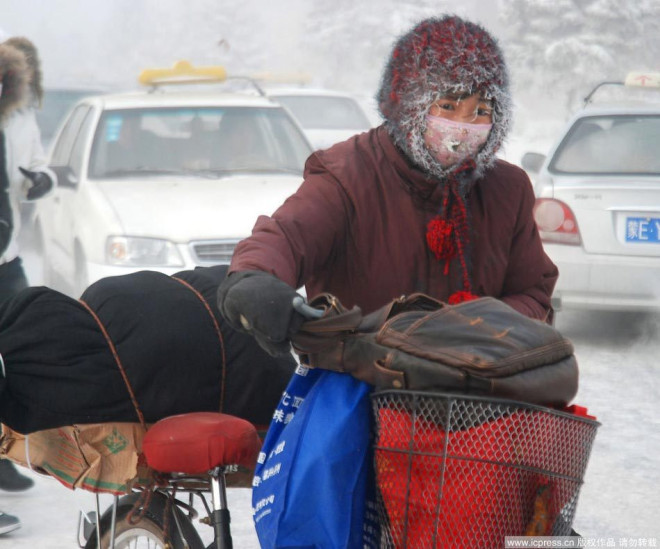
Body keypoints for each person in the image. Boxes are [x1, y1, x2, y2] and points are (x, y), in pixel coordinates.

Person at [217, 15, 558, 360]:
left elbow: (532, 291)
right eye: (448, 106)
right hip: (362, 391)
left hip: (475, 398)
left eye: (481, 110)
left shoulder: (507, 190)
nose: (462, 127)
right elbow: (286, 238)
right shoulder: (346, 176)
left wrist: (485, 331)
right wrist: (254, 280)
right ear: (410, 103)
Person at [0, 35, 56, 535]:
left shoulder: (18, 116)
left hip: (6, 254)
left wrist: (41, 181)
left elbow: (37, 165)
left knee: (22, 351)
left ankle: (4, 453)